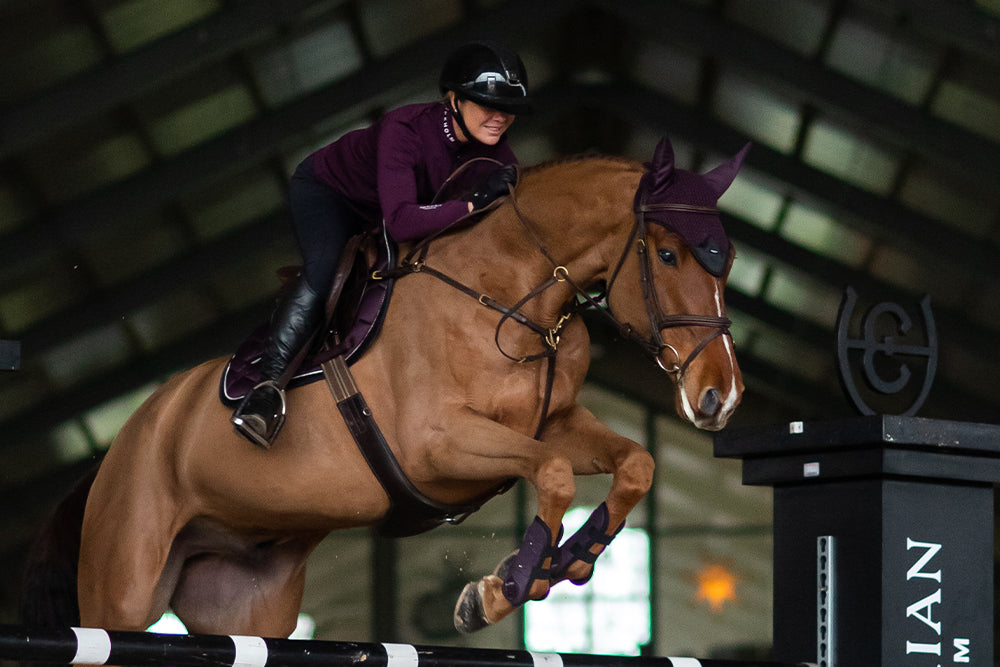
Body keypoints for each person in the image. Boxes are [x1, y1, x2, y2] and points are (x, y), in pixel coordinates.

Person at [231, 40, 532, 448]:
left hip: (392, 212)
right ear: (454, 99)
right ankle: (266, 390)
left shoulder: (500, 158)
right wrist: (475, 201)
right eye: (485, 105)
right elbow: (404, 221)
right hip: (330, 195)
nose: (499, 118)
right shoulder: (404, 129)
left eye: (508, 110)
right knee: (325, 267)